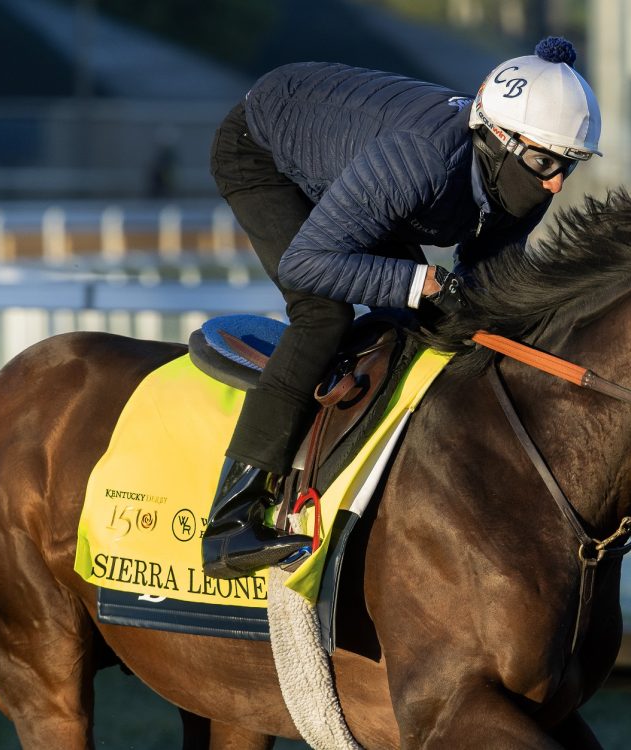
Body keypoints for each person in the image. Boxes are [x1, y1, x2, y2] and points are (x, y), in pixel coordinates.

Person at [202, 36, 602, 579]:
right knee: (324, 314)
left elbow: (492, 288)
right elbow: (306, 263)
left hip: (354, 158)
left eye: (569, 165)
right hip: (263, 148)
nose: (555, 181)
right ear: (499, 138)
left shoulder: (523, 176)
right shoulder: (421, 160)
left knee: (444, 321)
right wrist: (426, 282)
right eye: (544, 161)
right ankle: (228, 525)